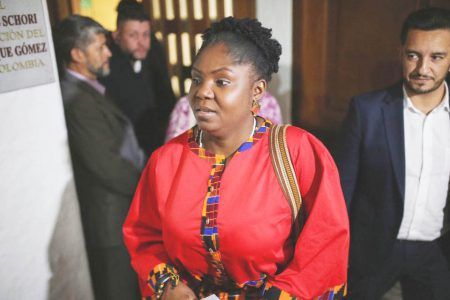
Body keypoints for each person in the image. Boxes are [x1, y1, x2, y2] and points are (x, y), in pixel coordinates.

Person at [123, 17, 349, 299]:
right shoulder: (166, 161)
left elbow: (323, 251)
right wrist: (169, 285)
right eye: (196, 79)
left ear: (257, 91)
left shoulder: (298, 152)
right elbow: (145, 236)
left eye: (221, 81)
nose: (202, 92)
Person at [336, 7, 450, 300]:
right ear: (400, 53)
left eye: (436, 57)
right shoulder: (367, 110)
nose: (423, 68)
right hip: (373, 250)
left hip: (437, 252)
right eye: (413, 55)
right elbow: (340, 193)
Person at [54, 15, 143, 300]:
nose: (108, 53)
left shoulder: (88, 89)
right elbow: (107, 166)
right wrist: (148, 188)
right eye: (100, 47)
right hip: (109, 222)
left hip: (120, 213)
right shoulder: (77, 100)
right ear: (77, 54)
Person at [101, 0, 176, 156]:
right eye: (133, 35)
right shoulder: (107, 66)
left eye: (145, 35)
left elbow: (166, 97)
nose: (141, 42)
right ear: (117, 36)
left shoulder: (153, 54)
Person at [165, 92, 283, 141]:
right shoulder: (186, 106)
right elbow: (172, 157)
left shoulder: (267, 103)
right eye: (197, 79)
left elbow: (273, 149)